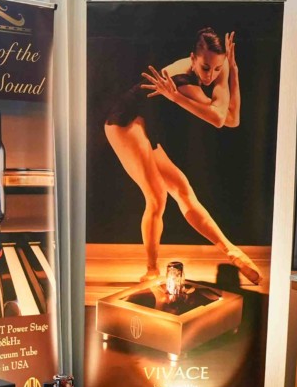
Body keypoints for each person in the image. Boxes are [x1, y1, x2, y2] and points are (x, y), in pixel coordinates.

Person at [104, 27, 262, 285]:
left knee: (182, 189)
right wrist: (178, 96)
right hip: (124, 121)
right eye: (205, 68)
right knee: (157, 196)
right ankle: (152, 270)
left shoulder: (215, 69)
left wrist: (232, 71)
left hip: (145, 125)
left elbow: (232, 119)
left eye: (217, 69)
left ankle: (232, 251)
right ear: (192, 59)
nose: (210, 75)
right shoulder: (183, 81)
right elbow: (218, 119)